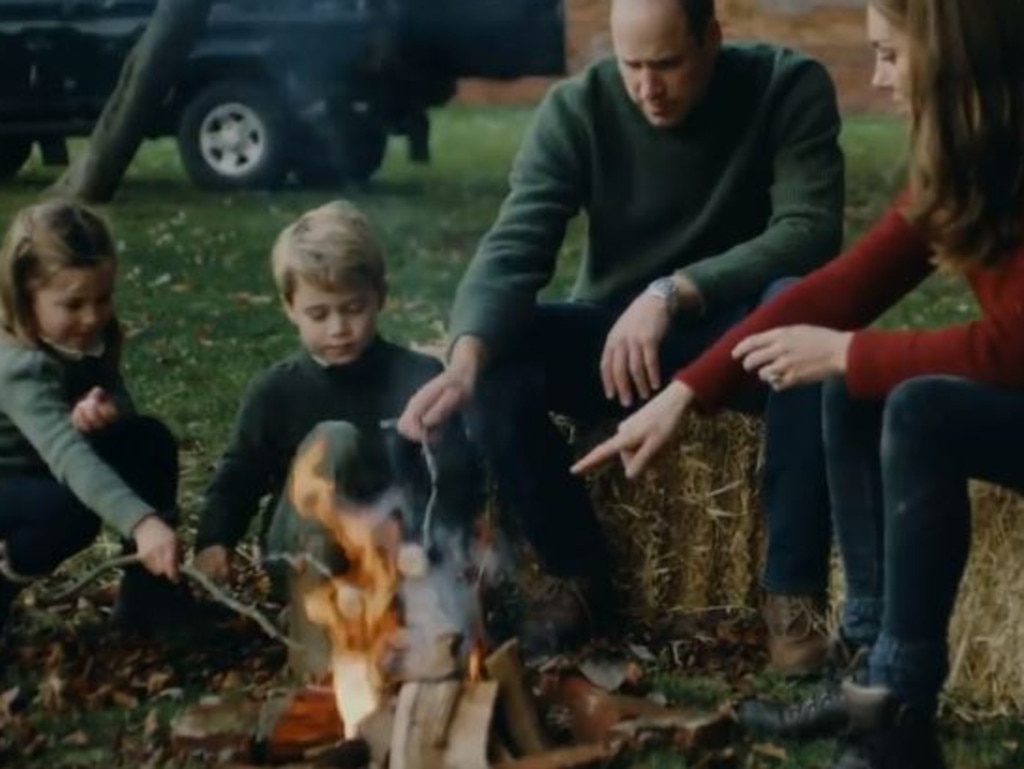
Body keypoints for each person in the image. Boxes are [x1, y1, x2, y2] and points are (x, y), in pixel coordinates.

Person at [574, 0, 1024, 765]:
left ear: (953, 57)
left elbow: (1014, 348)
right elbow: (832, 291)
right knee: (859, 382)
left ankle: (897, 703)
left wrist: (850, 354)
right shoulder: (966, 166)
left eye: (889, 54)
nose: (878, 78)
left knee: (910, 402)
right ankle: (865, 668)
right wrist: (684, 392)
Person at [398, 0, 845, 667]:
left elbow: (809, 231)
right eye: (631, 64)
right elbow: (515, 247)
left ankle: (792, 594)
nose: (646, 87)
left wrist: (674, 289)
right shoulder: (577, 109)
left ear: (712, 39)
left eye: (667, 63)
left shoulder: (787, 84)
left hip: (739, 332)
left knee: (804, 311)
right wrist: (463, 362)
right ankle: (575, 571)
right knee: (498, 357)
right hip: (616, 345)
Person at [192, 201, 483, 671]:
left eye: (353, 309)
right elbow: (238, 475)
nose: (338, 328)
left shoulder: (419, 377)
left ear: (380, 297)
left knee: (435, 648)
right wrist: (214, 540)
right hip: (306, 555)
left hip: (400, 559)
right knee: (334, 439)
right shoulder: (277, 391)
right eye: (318, 313)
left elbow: (457, 474)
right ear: (290, 308)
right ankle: (316, 653)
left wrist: (456, 553)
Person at [0, 200, 185, 635]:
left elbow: (118, 401)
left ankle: (150, 600)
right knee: (69, 510)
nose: (91, 316)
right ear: (27, 296)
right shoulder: (17, 366)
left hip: (43, 466)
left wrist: (107, 411)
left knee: (148, 439)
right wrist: (143, 523)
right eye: (73, 303)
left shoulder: (88, 333)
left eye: (102, 299)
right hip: (11, 479)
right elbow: (68, 456)